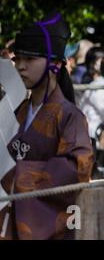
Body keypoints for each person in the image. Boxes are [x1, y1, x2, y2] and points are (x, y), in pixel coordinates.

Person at [0, 12, 94, 240]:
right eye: (17, 59)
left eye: (29, 60)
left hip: (49, 224)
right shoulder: (19, 110)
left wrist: (19, 174)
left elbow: (78, 167)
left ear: (55, 64)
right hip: (12, 217)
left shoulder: (69, 115)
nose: (20, 67)